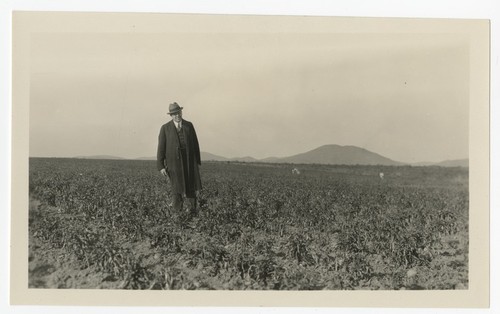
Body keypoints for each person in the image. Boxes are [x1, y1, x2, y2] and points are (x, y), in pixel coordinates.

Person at [157, 102, 202, 216]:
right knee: (176, 188)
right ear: (171, 116)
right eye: (174, 114)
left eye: (178, 112)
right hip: (173, 164)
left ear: (181, 112)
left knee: (191, 186)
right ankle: (177, 213)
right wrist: (161, 166)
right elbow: (161, 148)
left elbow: (195, 144)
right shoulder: (165, 128)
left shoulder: (189, 125)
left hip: (188, 161)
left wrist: (196, 162)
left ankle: (193, 212)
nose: (177, 115)